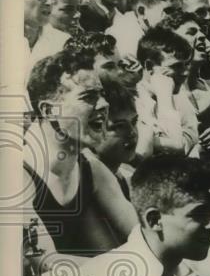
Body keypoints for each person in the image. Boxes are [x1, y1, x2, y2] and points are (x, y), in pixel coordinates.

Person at [24, 50, 138, 262]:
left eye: (101, 94)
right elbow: (46, 263)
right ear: (49, 111)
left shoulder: (90, 168)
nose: (104, 105)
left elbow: (139, 235)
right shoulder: (16, 175)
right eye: (88, 96)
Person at [134, 27, 201, 157]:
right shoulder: (134, 101)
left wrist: (156, 143)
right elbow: (176, 150)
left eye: (186, 64)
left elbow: (190, 138)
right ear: (149, 66)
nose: (185, 73)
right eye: (176, 66)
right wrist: (165, 98)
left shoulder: (178, 94)